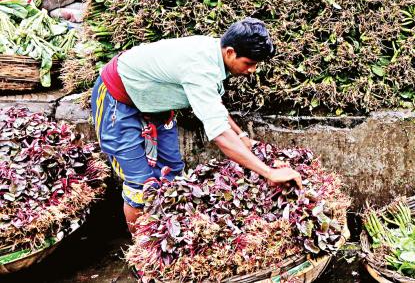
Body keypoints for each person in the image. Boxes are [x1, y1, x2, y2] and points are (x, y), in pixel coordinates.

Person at [90, 18, 302, 232]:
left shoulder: (214, 54)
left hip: (155, 103)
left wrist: (241, 135)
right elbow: (219, 134)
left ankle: (168, 233)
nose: (253, 70)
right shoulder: (200, 68)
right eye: (249, 63)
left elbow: (213, 108)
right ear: (230, 52)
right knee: (141, 185)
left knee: (171, 172)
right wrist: (269, 173)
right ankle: (142, 255)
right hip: (118, 100)